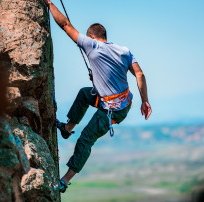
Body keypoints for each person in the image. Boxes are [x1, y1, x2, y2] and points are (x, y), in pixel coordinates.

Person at [43, 0, 152, 193]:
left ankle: (64, 181)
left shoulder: (91, 45)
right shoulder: (124, 51)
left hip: (111, 111)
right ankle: (67, 128)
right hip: (123, 102)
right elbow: (140, 74)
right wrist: (145, 101)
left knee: (86, 139)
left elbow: (65, 25)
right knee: (85, 93)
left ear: (92, 36)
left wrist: (49, 3)